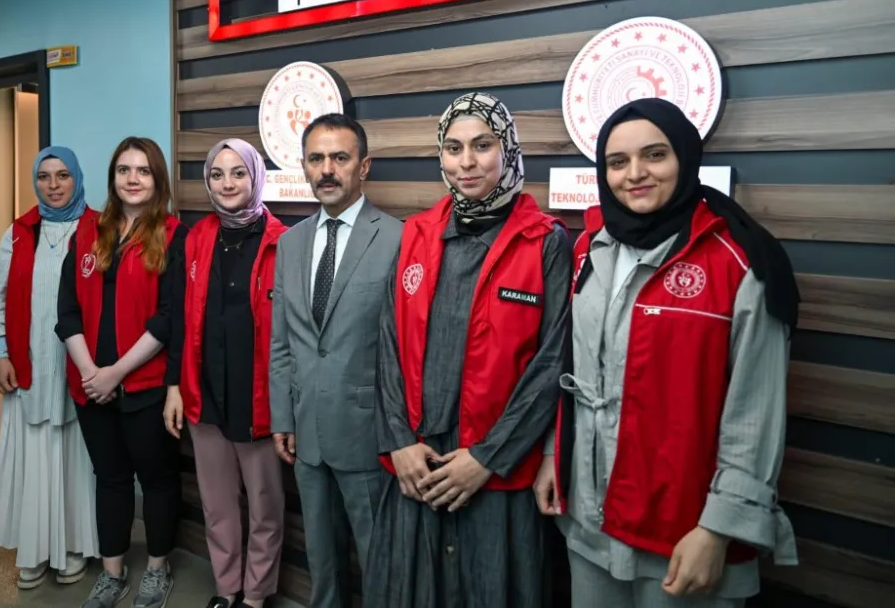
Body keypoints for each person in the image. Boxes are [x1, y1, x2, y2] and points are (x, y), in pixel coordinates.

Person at [534, 97, 800, 607]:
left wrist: (719, 529)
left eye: (654, 155)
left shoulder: (739, 262)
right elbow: (574, 369)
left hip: (684, 534)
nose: (635, 174)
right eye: (617, 162)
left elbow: (756, 413)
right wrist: (554, 456)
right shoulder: (589, 248)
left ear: (684, 157)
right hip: (589, 519)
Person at [363, 92, 570, 608]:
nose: (467, 162)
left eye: (482, 145)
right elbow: (389, 342)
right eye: (454, 148)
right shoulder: (417, 233)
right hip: (419, 464)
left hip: (494, 473)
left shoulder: (545, 241)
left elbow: (550, 365)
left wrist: (486, 458)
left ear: (508, 149)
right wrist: (398, 441)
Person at [268, 113, 403, 608]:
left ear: (363, 166)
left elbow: (405, 350)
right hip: (307, 433)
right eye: (316, 158)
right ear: (304, 166)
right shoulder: (290, 243)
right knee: (321, 560)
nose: (327, 169)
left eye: (339, 158)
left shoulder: (397, 238)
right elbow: (283, 341)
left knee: (378, 559)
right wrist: (283, 416)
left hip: (369, 436)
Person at [55, 136, 187, 608]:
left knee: (156, 479)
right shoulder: (87, 233)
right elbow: (67, 310)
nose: (133, 179)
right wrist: (92, 372)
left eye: (143, 170)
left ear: (157, 179)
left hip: (145, 386)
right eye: (124, 170)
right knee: (109, 478)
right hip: (90, 386)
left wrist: (116, 372)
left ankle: (157, 568)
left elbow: (168, 318)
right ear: (112, 178)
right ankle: (112, 574)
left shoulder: (173, 235)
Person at [163, 139, 288, 608]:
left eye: (238, 173)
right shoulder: (195, 238)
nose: (228, 183)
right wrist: (175, 386)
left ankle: (256, 595)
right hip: (205, 393)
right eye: (217, 174)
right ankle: (227, 588)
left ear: (256, 177)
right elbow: (179, 318)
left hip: (260, 400)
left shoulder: (283, 241)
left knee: (265, 506)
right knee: (217, 505)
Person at [0, 146, 99, 590]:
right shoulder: (19, 233)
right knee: (33, 458)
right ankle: (33, 550)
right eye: (44, 176)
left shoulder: (99, 228)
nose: (53, 185)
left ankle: (73, 547)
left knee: (75, 458)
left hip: (79, 370)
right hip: (28, 367)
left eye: (63, 175)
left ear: (76, 178)